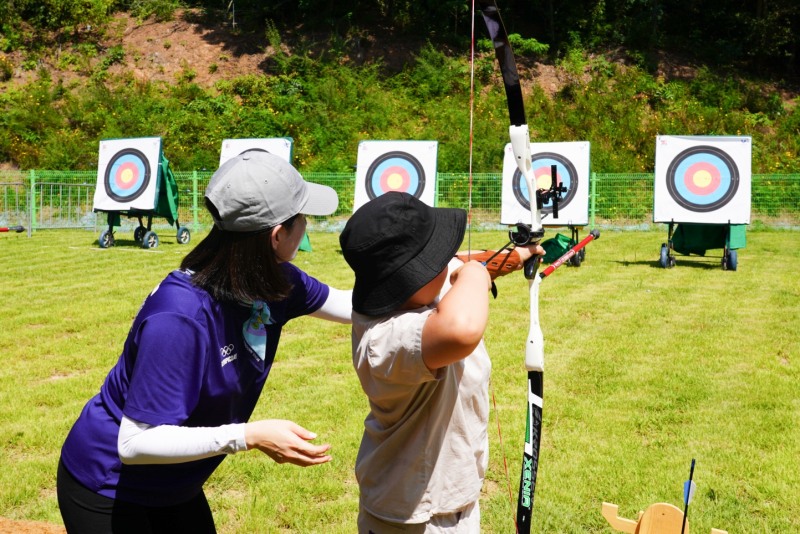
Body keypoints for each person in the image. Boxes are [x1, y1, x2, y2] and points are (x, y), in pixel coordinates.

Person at [57, 151, 352, 533]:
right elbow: (134, 444)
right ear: (278, 236)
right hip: (108, 487)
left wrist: (438, 280)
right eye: (303, 217)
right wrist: (249, 436)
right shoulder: (179, 317)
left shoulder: (275, 279)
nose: (307, 225)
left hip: (177, 482)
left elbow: (351, 305)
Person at [339, 191, 545, 533]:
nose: (448, 260)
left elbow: (461, 266)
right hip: (409, 517)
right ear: (413, 275)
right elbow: (461, 328)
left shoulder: (407, 293)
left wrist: (520, 254)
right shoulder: (384, 339)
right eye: (437, 257)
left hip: (453, 501)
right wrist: (476, 275)